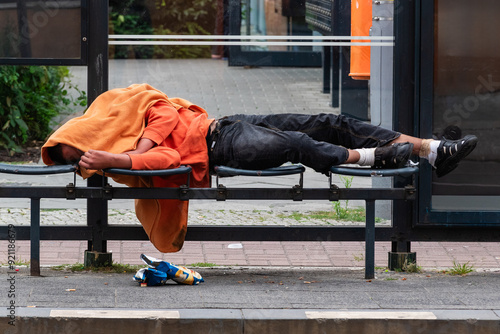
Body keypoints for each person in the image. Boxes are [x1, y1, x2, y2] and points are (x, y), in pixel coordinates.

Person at [42, 84, 478, 252]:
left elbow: (161, 109)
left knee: (331, 121)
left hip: (228, 124)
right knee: (297, 143)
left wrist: (135, 146)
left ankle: (431, 149)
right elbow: (168, 160)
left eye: (75, 150)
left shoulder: (126, 135)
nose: (79, 160)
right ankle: (373, 158)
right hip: (223, 149)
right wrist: (118, 159)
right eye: (73, 162)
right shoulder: (121, 164)